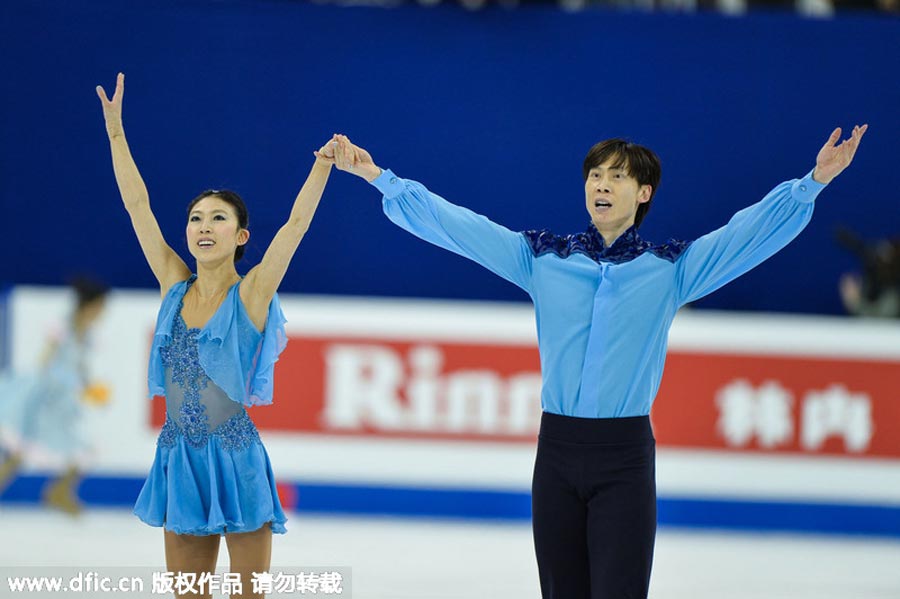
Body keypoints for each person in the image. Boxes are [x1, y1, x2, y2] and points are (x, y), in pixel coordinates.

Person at [327, 125, 867, 599]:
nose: (602, 184)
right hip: (556, 453)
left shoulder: (671, 269)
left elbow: (745, 237)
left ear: (644, 192)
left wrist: (810, 185)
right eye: (594, 175)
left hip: (624, 458)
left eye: (616, 176)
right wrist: (381, 178)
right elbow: (458, 226)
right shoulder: (541, 258)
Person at [97, 73, 336, 599]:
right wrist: (116, 134)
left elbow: (294, 228)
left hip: (236, 457)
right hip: (179, 458)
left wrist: (320, 168)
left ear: (240, 235)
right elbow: (138, 207)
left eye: (218, 219)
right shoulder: (173, 287)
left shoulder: (250, 297)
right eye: (196, 218)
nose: (204, 227)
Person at [0, 276, 109, 514]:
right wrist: (54, 386)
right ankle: (58, 491)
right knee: (18, 453)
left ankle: (59, 491)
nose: (103, 312)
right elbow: (45, 362)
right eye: (101, 306)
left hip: (62, 403)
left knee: (82, 450)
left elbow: (80, 368)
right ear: (91, 305)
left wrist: (88, 387)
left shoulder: (87, 334)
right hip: (43, 398)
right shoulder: (63, 326)